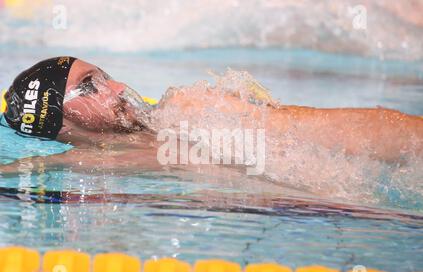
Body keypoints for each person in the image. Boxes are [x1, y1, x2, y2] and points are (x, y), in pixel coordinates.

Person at [0, 56, 422, 175]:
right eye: (90, 85)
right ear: (59, 122)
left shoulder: (186, 108)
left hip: (393, 153)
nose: (116, 86)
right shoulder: (93, 163)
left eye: (103, 76)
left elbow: (318, 133)